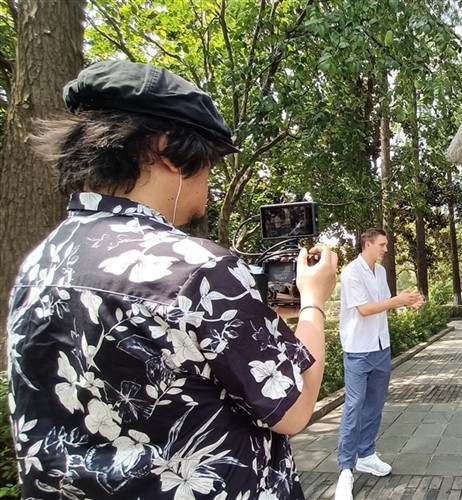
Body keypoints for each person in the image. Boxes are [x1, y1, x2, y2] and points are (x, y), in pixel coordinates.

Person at [5, 60, 338, 499]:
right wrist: (314, 300)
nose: (210, 181)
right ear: (167, 149)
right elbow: (294, 409)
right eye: (209, 163)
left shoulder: (41, 262)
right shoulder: (199, 269)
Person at [335, 228, 424, 500]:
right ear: (368, 244)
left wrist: (408, 302)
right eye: (382, 244)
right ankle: (345, 469)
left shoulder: (381, 272)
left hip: (380, 348)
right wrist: (396, 301)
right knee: (354, 406)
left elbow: (385, 304)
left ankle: (367, 454)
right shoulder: (351, 273)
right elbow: (364, 309)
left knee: (375, 405)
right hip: (358, 350)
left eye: (386, 244)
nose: (386, 249)